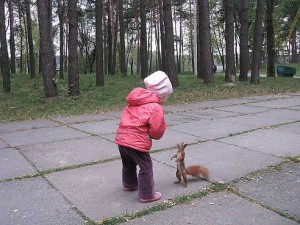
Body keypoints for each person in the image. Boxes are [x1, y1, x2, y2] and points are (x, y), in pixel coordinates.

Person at [115, 71, 173, 203]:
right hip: (137, 142)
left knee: (128, 163)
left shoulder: (135, 101)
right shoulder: (155, 107)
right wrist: (153, 135)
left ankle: (129, 184)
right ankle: (147, 194)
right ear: (161, 94)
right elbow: (157, 130)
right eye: (167, 96)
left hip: (122, 139)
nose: (167, 99)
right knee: (145, 166)